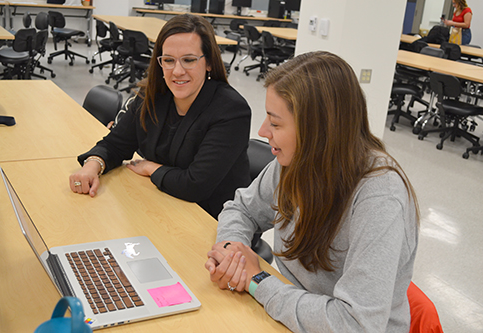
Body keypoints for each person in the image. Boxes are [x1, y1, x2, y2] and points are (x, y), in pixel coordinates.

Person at [205, 51, 419, 332]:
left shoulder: (380, 197)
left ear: (317, 132)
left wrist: (258, 282)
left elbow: (355, 325)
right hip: (291, 316)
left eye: (276, 122)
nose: (262, 129)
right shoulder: (295, 161)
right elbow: (242, 208)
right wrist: (232, 253)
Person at [69, 14, 251, 219]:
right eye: (168, 60)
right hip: (162, 205)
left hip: (213, 222)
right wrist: (93, 165)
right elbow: (116, 144)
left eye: (189, 60)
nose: (177, 71)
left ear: (208, 62)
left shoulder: (231, 110)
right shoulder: (153, 96)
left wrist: (150, 168)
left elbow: (195, 186)